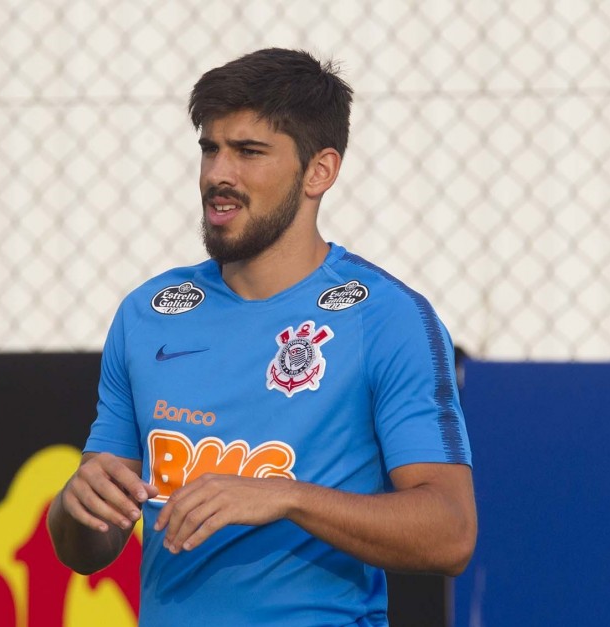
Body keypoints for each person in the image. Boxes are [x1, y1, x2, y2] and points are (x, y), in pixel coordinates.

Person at [47, 47, 477, 626]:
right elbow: (88, 548)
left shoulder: (388, 319)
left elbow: (451, 532)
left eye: (249, 152)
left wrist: (288, 496)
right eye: (210, 149)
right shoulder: (148, 313)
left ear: (319, 171)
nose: (219, 174)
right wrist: (75, 509)